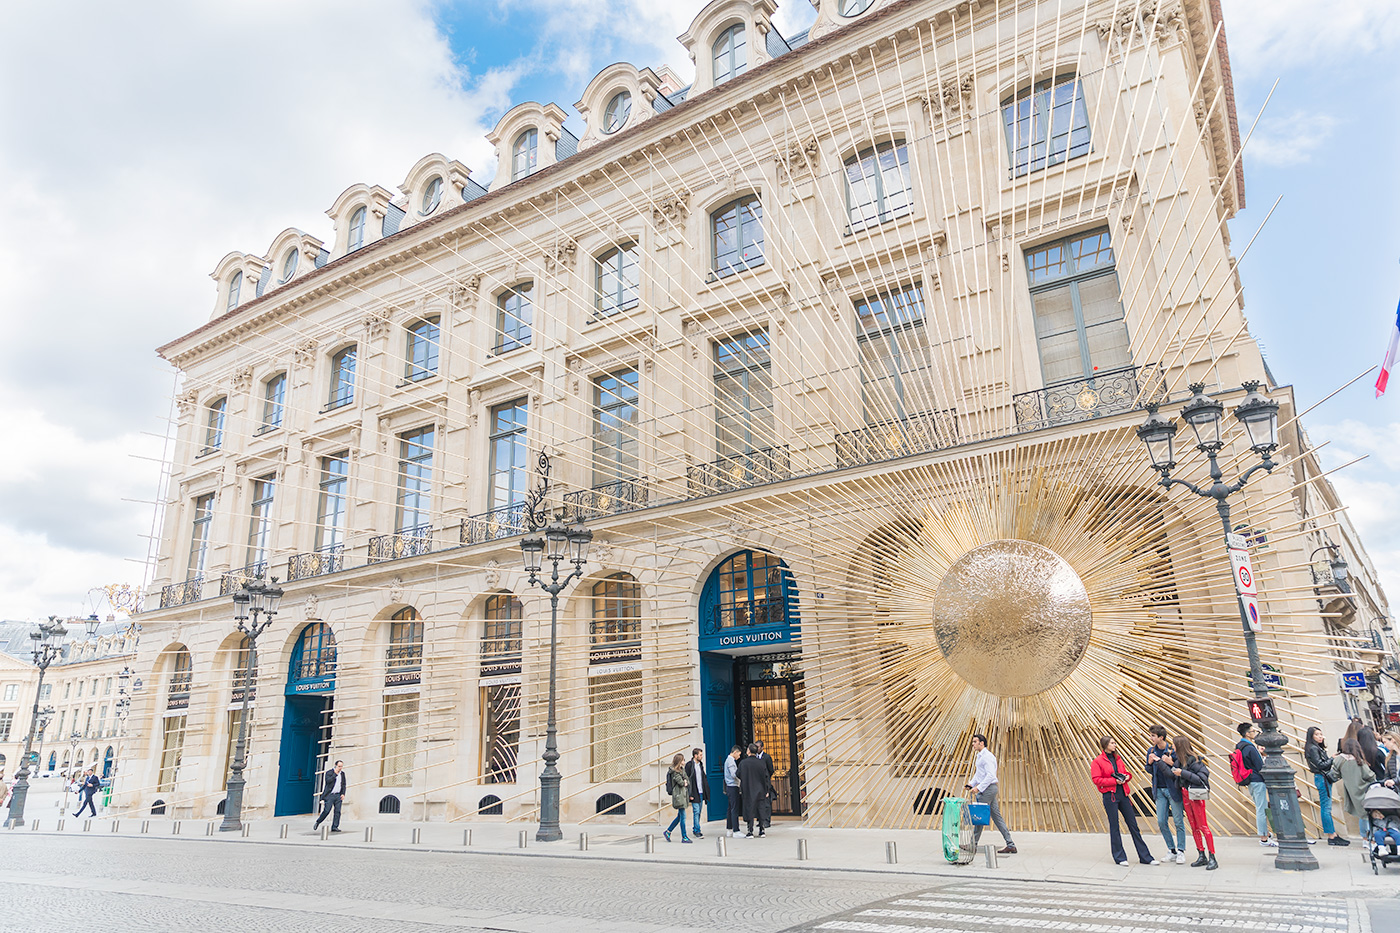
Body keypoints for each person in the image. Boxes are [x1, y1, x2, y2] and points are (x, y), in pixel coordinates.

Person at [1091, 736, 1160, 866]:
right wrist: (1113, 781)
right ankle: (1119, 857)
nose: (1114, 745)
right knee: (1115, 826)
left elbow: (1127, 772)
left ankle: (1146, 857)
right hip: (1110, 796)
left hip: (1123, 794)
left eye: (1115, 742)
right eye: (1112, 743)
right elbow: (1096, 780)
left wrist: (1126, 777)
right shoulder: (1097, 761)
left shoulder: (1118, 759)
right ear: (1105, 745)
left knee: (1133, 826)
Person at [1169, 736, 1217, 870]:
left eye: (1173, 745)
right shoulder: (1179, 761)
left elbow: (1202, 778)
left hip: (1195, 796)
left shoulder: (1194, 761)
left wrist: (1182, 773)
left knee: (1203, 826)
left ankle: (1212, 856)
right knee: (1193, 826)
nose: (1171, 747)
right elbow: (1172, 774)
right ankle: (1201, 854)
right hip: (1185, 795)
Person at [963, 734, 1016, 854]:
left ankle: (972, 845)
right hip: (988, 789)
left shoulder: (987, 756)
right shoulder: (980, 756)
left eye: (975, 741)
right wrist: (971, 784)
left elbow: (991, 775)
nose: (973, 744)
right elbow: (979, 774)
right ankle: (1010, 844)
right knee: (997, 818)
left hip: (987, 789)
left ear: (982, 743)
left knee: (979, 817)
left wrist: (979, 788)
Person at [1327, 735, 1378, 842]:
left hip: (1351, 791)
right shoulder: (1358, 760)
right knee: (1367, 815)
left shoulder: (1340, 759)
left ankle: (1364, 837)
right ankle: (1369, 838)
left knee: (1361, 815)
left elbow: (1335, 774)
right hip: (1364, 789)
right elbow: (1369, 775)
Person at [1146, 725, 1186, 863]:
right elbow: (1149, 769)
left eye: (1153, 735)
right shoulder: (1151, 751)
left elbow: (1181, 768)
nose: (1151, 738)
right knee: (1161, 821)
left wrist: (1171, 762)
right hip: (1159, 790)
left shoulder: (1173, 750)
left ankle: (1181, 850)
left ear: (1160, 737)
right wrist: (1150, 763)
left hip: (1173, 789)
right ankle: (1172, 849)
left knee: (1178, 820)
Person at [1304, 726, 1347, 845]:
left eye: (1321, 734)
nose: (1320, 736)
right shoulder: (1313, 748)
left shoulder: (1315, 747)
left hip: (1322, 778)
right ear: (1311, 736)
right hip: (1322, 778)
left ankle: (1333, 834)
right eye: (1317, 734)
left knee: (1326, 806)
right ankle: (1331, 835)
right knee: (1326, 807)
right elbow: (1320, 765)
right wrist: (1332, 759)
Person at [1234, 723, 1272, 846]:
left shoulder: (1240, 746)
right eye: (1253, 731)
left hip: (1250, 780)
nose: (1254, 733)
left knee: (1260, 806)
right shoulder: (1250, 747)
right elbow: (1259, 765)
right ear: (1247, 734)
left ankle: (1266, 832)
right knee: (1261, 808)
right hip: (1257, 780)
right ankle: (1263, 837)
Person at [737, 742, 771, 837]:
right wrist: (767, 790)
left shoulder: (743, 763)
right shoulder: (761, 763)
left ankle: (750, 830)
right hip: (760, 789)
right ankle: (762, 830)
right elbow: (766, 777)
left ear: (748, 751)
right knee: (760, 809)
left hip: (748, 789)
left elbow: (738, 774)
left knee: (749, 809)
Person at [663, 753, 692, 843]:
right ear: (679, 761)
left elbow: (688, 780)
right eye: (683, 760)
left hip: (683, 795)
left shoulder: (681, 770)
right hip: (679, 796)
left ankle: (668, 831)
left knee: (680, 816)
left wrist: (685, 781)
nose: (684, 761)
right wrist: (684, 782)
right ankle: (684, 836)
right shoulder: (674, 772)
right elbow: (682, 782)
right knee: (683, 817)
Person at [313, 760, 348, 833]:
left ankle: (335, 826)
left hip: (338, 795)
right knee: (327, 810)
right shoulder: (329, 773)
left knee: (337, 811)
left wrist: (343, 793)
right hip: (330, 795)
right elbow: (328, 781)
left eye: (341, 766)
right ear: (335, 765)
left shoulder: (342, 774)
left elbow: (343, 784)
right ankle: (318, 821)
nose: (340, 768)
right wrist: (335, 774)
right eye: (339, 766)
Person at [685, 747, 708, 838]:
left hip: (701, 791)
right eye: (700, 755)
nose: (702, 756)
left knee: (699, 812)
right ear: (695, 755)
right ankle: (697, 830)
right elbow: (687, 779)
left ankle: (696, 828)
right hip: (694, 792)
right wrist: (690, 794)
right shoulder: (689, 765)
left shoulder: (700, 765)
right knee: (696, 811)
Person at [754, 740, 775, 832]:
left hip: (765, 782)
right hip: (756, 782)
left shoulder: (766, 757)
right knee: (757, 802)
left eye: (758, 747)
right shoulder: (753, 757)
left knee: (766, 803)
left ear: (762, 747)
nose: (756, 749)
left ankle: (767, 820)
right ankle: (760, 819)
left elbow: (771, 770)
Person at [723, 745, 742, 837]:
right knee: (734, 808)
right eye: (738, 754)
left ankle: (729, 829)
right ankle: (736, 830)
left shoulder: (728, 760)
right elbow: (734, 774)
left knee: (730, 808)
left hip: (729, 786)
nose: (739, 757)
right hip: (733, 786)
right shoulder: (731, 761)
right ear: (735, 752)